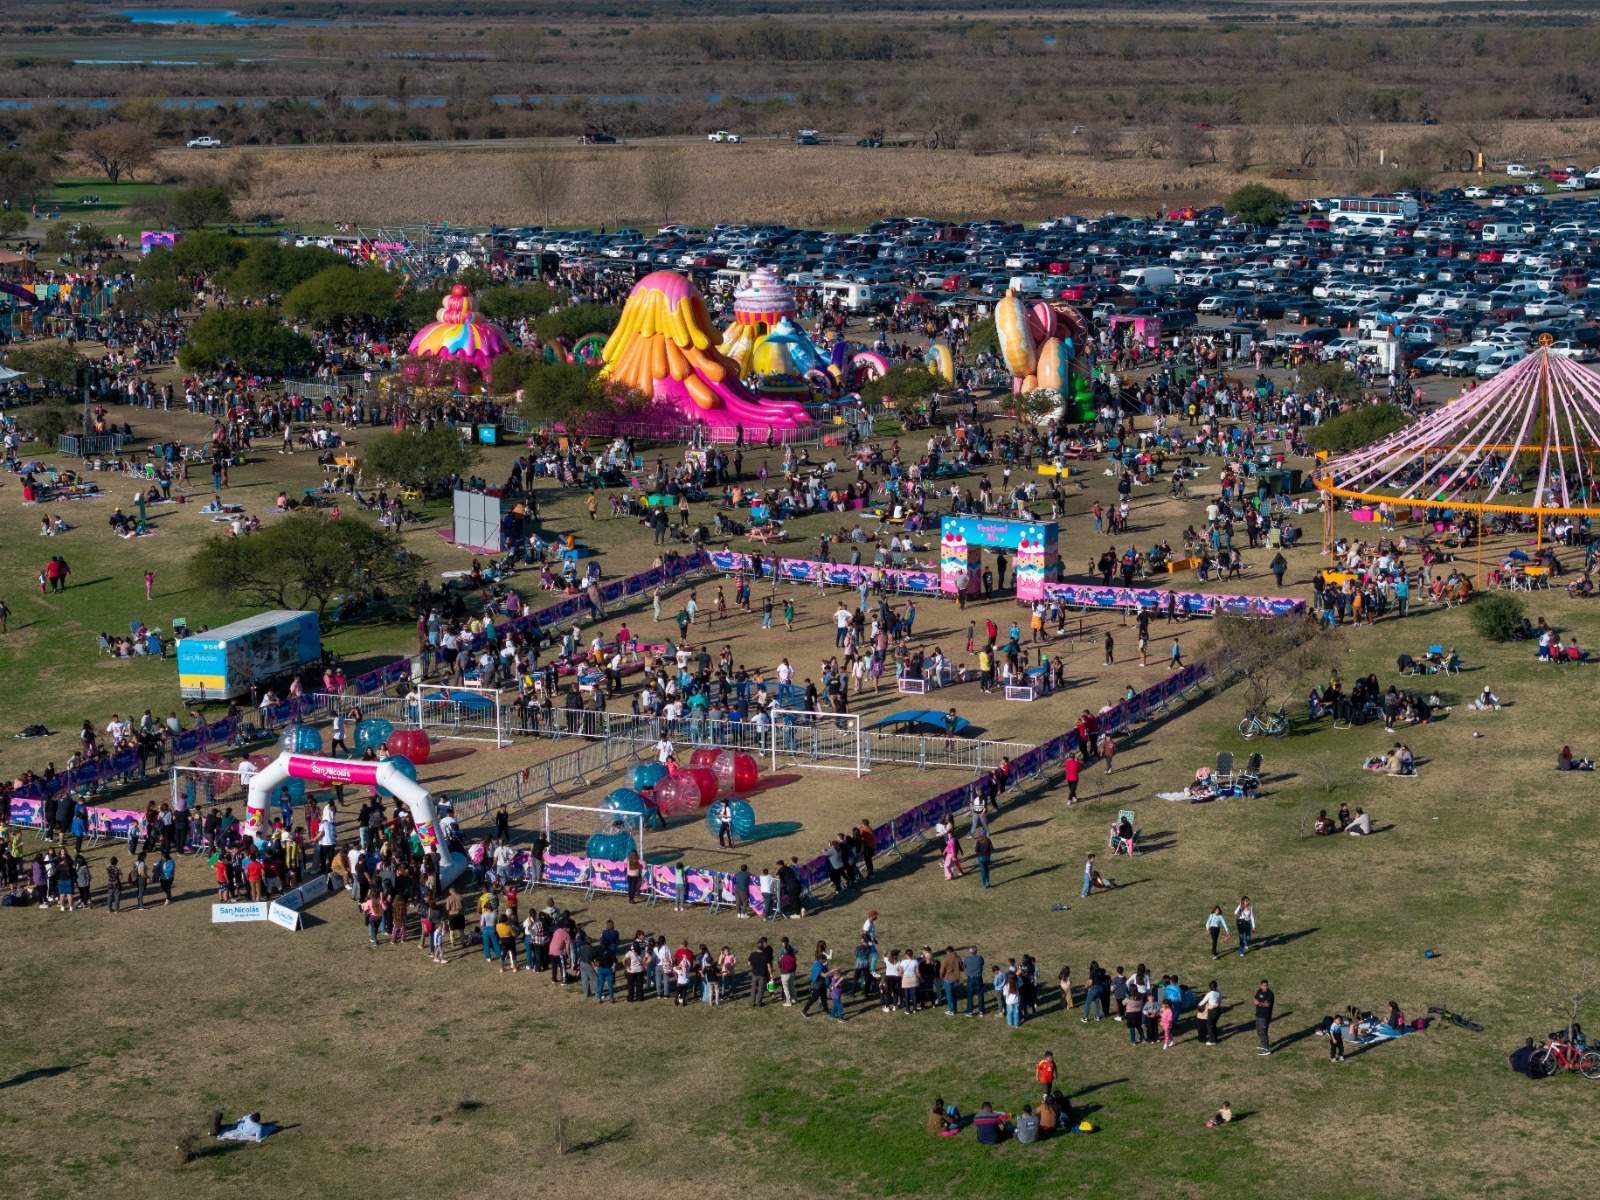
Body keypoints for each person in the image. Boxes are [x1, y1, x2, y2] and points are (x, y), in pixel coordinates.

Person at [1254, 978, 1275, 1055]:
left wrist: (1259, 1003)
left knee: (1263, 1031)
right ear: (1261, 986)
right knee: (1259, 1031)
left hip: (1265, 1016)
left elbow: (1267, 1004)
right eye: (1264, 985)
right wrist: (1259, 1002)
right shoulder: (1259, 991)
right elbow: (1255, 998)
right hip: (1258, 1015)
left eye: (1266, 985)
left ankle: (1266, 1049)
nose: (1265, 987)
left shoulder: (1270, 994)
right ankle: (1264, 1044)